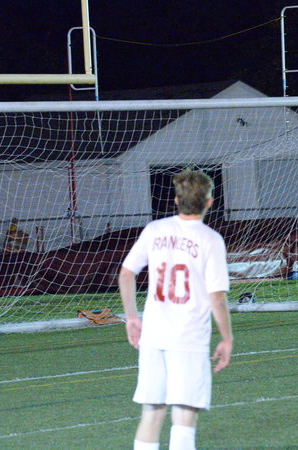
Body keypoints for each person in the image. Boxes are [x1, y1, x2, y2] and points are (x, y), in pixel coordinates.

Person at [119, 169, 233, 450]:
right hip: (188, 337)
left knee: (152, 412)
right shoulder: (210, 239)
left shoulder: (155, 230)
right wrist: (227, 337)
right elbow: (216, 297)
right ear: (209, 202)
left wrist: (132, 317)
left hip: (154, 336)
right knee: (184, 415)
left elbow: (126, 273)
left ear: (176, 200)